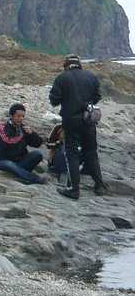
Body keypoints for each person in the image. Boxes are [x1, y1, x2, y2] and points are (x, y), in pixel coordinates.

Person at [49, 53, 105, 199]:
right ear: (79, 64)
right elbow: (97, 97)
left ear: (66, 64)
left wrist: (67, 100)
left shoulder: (62, 78)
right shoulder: (91, 76)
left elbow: (54, 100)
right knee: (91, 152)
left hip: (71, 121)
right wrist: (86, 103)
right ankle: (99, 185)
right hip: (89, 119)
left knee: (72, 153)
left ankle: (74, 189)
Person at [0, 103, 45, 184]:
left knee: (37, 154)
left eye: (23, 116)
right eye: (18, 116)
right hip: (3, 161)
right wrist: (21, 135)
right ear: (11, 116)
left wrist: (31, 134)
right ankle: (34, 178)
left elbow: (37, 144)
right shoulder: (2, 127)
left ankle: (19, 172)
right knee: (10, 165)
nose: (21, 118)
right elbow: (6, 142)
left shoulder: (23, 128)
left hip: (20, 161)